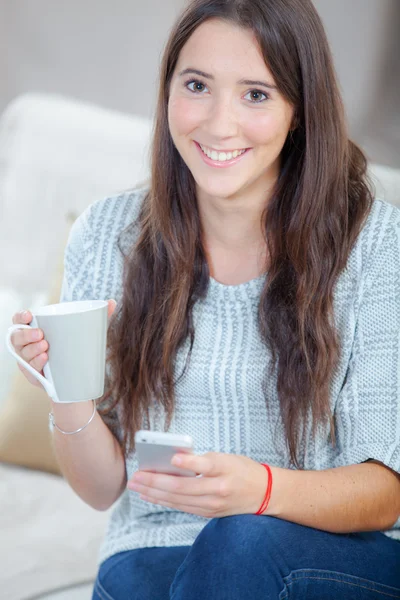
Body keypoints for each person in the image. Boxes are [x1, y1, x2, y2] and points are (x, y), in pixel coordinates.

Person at [10, 0, 400, 598]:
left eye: (256, 94)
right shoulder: (108, 236)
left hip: (323, 549)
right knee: (133, 580)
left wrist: (259, 491)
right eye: (197, 86)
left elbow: (384, 494)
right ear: (168, 92)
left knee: (237, 544)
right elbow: (102, 489)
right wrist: (66, 392)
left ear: (299, 111)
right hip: (157, 547)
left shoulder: (374, 245)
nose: (219, 125)